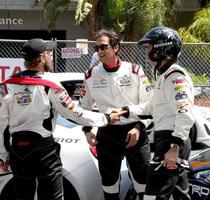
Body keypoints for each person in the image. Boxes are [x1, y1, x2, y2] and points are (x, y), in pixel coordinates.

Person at [0, 38, 123, 200]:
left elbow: (2, 125)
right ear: (42, 57)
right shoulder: (50, 83)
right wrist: (106, 118)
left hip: (18, 152)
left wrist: (3, 155)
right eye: (49, 53)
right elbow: (75, 113)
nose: (51, 56)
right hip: (43, 151)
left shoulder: (9, 85)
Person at [120, 27, 195, 200]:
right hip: (168, 139)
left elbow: (185, 114)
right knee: (179, 194)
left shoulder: (175, 77)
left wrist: (174, 148)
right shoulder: (165, 77)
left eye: (149, 47)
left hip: (172, 141)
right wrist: (125, 111)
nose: (147, 52)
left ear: (163, 48)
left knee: (153, 195)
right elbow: (151, 107)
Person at [79, 29, 153, 200]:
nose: (100, 52)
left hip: (134, 132)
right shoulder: (91, 75)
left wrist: (139, 128)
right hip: (107, 133)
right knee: (109, 185)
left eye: (104, 47)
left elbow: (149, 104)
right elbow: (84, 106)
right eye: (97, 48)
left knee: (143, 185)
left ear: (116, 47)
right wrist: (87, 130)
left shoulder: (135, 70)